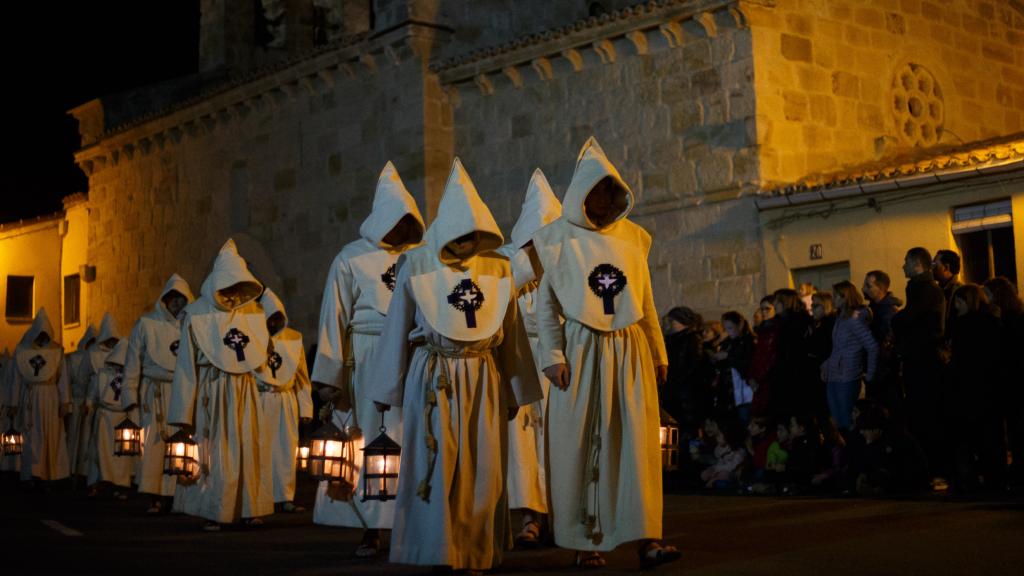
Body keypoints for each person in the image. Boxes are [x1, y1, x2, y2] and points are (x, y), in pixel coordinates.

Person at [369, 158, 542, 575]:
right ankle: (436, 549)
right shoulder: (417, 263)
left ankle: (475, 551)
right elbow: (396, 330)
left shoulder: (498, 268)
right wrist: (387, 392)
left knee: (483, 467)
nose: (466, 243)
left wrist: (515, 391)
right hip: (434, 378)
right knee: (435, 463)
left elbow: (511, 331)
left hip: (483, 374)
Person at [533, 138, 679, 570]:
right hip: (581, 348)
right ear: (580, 195)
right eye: (596, 191)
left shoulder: (633, 238)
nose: (604, 199)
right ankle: (586, 539)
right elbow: (546, 306)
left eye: (610, 190)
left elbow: (646, 300)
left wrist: (658, 351)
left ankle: (647, 538)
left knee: (636, 447)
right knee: (582, 444)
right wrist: (554, 356)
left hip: (630, 349)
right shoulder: (557, 240)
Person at [310, 161, 425, 555]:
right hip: (367, 354)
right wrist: (329, 374)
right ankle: (371, 528)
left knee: (410, 438)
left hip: (412, 354)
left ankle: (411, 521)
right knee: (370, 442)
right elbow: (333, 317)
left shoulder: (421, 256)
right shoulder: (350, 258)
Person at [168, 239, 273, 531]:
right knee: (215, 453)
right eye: (227, 287)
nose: (232, 294)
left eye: (237, 286)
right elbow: (186, 366)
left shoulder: (253, 313)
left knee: (249, 448)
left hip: (246, 391)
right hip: (213, 391)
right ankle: (215, 509)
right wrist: (182, 413)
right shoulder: (197, 314)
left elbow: (259, 356)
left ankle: (250, 507)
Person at [495, 168, 562, 548]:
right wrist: (526, 264)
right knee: (521, 443)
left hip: (556, 356)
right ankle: (528, 516)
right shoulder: (506, 259)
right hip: (520, 356)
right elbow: (499, 296)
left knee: (555, 438)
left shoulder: (569, 255)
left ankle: (560, 513)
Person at [120, 274, 194, 514]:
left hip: (182, 390)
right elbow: (133, 363)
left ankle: (178, 495)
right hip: (155, 393)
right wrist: (130, 397)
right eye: (172, 297)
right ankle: (155, 495)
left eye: (180, 298)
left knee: (183, 444)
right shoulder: (146, 324)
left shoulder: (192, 324)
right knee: (154, 444)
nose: (176, 302)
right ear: (164, 299)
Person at [892, 247, 947, 487]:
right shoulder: (923, 291)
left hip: (923, 364)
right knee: (921, 418)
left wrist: (898, 319)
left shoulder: (927, 292)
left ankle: (934, 469)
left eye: (906, 261)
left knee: (926, 418)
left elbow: (911, 319)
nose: (902, 265)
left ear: (916, 263)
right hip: (918, 362)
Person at [255, 289, 314, 512]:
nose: (273, 322)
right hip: (260, 399)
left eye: (276, 318)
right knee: (260, 448)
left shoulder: (293, 338)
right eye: (269, 318)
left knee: (285, 449)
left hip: (286, 400)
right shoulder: (254, 338)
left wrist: (306, 408)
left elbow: (302, 378)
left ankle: (285, 496)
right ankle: (260, 496)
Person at [5, 308, 71, 486]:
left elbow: (62, 378)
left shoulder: (56, 351)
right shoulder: (23, 351)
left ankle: (49, 474)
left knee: (51, 436)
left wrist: (65, 401)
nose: (42, 338)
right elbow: (16, 380)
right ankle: (33, 474)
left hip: (50, 398)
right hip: (31, 398)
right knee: (32, 437)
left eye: (45, 335)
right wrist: (13, 403)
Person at [948, 284, 1004, 492]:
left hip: (969, 388)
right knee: (991, 436)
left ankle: (972, 479)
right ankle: (996, 478)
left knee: (971, 436)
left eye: (959, 302)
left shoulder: (964, 326)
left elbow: (960, 360)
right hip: (989, 387)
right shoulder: (992, 322)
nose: (955, 307)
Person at [983, 277, 1024, 487]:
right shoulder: (1014, 317)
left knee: (1015, 428)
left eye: (988, 295)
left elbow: (1005, 349)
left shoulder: (1008, 320)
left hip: (1011, 381)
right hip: (1010, 381)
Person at [821, 281, 878, 431]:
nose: (832, 299)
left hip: (847, 375)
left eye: (835, 296)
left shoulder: (854, 319)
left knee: (846, 420)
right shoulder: (841, 318)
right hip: (835, 375)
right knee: (838, 421)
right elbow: (839, 348)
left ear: (844, 297)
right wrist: (827, 364)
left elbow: (871, 346)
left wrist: (870, 374)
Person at [86, 339, 138, 498]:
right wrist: (88, 405)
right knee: (100, 452)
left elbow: (133, 400)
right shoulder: (102, 375)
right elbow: (93, 394)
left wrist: (134, 420)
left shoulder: (131, 378)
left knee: (121, 456)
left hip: (122, 419)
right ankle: (99, 483)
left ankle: (121, 485)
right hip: (104, 418)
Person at [74, 313, 120, 479]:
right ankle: (92, 477)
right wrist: (85, 400)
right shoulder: (93, 353)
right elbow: (82, 377)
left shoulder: (121, 352)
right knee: (94, 442)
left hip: (117, 406)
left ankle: (113, 479)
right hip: (97, 404)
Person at [662, 306, 710, 436]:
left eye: (673, 321)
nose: (669, 324)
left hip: (685, 396)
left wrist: (676, 381)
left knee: (686, 433)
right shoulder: (673, 339)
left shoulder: (692, 339)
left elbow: (693, 366)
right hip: (675, 393)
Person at [771, 289, 814, 419]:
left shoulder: (796, 321)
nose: (774, 304)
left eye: (777, 301)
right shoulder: (781, 321)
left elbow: (794, 349)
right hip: (786, 373)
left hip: (795, 374)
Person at [862, 270, 902, 411]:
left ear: (880, 289)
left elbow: (884, 345)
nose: (863, 289)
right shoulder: (873, 310)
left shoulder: (887, 313)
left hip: (884, 377)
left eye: (868, 285)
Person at [64, 324, 97, 480]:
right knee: (75, 436)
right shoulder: (74, 359)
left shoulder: (98, 357)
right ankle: (71, 467)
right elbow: (68, 381)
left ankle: (86, 470)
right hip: (78, 402)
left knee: (88, 437)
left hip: (92, 405)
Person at [711, 311, 754, 423]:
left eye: (730, 328)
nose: (728, 332)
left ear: (739, 325)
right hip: (729, 393)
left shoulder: (747, 341)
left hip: (743, 390)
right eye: (726, 329)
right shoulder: (727, 343)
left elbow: (747, 363)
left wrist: (728, 356)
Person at [932, 249, 963, 337]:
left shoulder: (959, 292)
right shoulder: (938, 289)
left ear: (946, 267)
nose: (932, 268)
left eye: (935, 265)